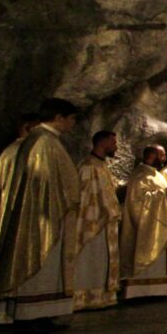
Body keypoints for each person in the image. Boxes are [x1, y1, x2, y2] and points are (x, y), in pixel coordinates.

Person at [0, 97, 81, 330]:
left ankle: (41, 315)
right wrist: (68, 198)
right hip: (41, 215)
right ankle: (32, 317)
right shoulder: (44, 142)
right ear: (59, 117)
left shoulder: (44, 140)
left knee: (48, 267)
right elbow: (45, 183)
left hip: (44, 213)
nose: (73, 124)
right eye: (71, 119)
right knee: (39, 264)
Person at [119, 145, 167, 300]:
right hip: (145, 226)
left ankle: (158, 291)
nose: (164, 159)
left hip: (159, 223)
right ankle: (140, 292)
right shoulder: (140, 174)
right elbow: (137, 201)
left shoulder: (156, 174)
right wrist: (165, 193)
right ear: (153, 155)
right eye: (162, 155)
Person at [71, 131, 120, 311]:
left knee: (100, 262)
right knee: (87, 260)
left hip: (105, 223)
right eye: (113, 143)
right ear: (103, 142)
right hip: (92, 221)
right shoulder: (87, 166)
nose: (116, 147)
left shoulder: (102, 165)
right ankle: (82, 298)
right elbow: (83, 196)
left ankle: (100, 297)